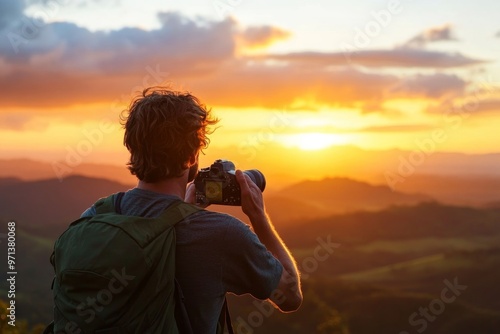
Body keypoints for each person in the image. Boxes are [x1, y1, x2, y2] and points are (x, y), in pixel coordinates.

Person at [80, 87, 303, 333]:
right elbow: (290, 295)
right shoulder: (222, 234)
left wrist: (184, 211)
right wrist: (259, 218)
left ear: (132, 147)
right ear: (191, 156)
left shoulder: (95, 217)